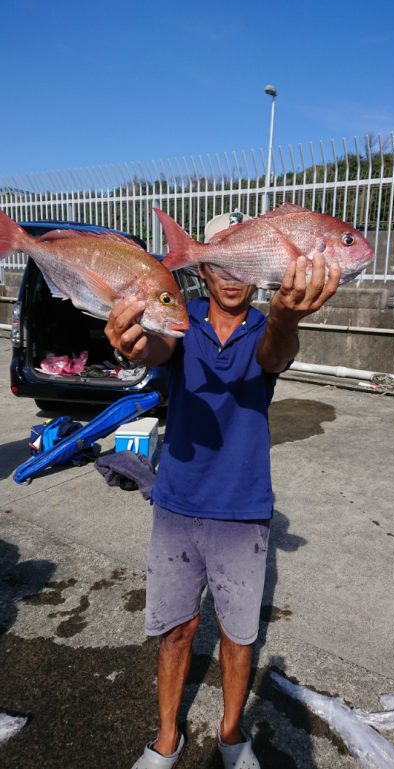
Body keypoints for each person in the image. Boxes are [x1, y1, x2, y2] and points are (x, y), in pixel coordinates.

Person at [105, 252, 340, 769]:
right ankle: (167, 737)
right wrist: (133, 345)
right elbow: (158, 347)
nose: (232, 279)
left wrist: (285, 318)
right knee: (176, 630)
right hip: (176, 505)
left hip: (243, 509)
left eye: (243, 267)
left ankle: (232, 733)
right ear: (203, 270)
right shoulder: (178, 317)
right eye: (220, 266)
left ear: (258, 273)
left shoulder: (267, 327)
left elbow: (274, 356)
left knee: (238, 634)